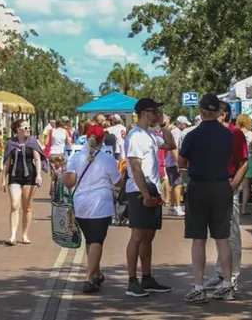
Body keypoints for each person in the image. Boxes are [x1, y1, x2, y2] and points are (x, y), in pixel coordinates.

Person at [179, 94, 236, 303]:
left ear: (202, 111)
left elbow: (181, 160)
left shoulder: (193, 135)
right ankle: (228, 284)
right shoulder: (227, 134)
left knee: (198, 238)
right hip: (222, 185)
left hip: (199, 186)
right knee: (222, 238)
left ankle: (198, 286)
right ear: (218, 112)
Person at [124, 98, 176, 298]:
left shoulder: (151, 135)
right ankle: (132, 281)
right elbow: (135, 168)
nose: (158, 115)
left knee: (149, 236)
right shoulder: (135, 136)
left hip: (152, 189)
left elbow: (171, 144)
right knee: (137, 236)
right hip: (139, 190)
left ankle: (146, 277)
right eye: (156, 112)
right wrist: (145, 194)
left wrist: (163, 125)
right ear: (146, 113)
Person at [64, 125, 121, 293]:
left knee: (90, 240)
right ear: (103, 140)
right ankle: (89, 278)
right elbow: (117, 182)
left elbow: (70, 181)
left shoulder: (76, 158)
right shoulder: (107, 159)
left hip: (81, 203)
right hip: (100, 204)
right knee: (97, 240)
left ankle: (96, 273)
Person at [202, 100, 248, 296]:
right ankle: (222, 273)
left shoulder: (235, 134)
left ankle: (233, 276)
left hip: (228, 184)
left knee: (231, 233)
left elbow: (244, 163)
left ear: (224, 115)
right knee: (219, 233)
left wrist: (233, 186)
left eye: (214, 113)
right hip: (212, 185)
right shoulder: (209, 134)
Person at [1, 119, 44, 246]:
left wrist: (39, 175)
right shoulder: (11, 143)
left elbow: (37, 159)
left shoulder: (32, 142)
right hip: (14, 176)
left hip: (29, 177)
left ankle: (25, 235)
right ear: (18, 130)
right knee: (14, 205)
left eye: (29, 127)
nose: (28, 130)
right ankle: (12, 236)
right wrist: (3, 179)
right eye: (26, 128)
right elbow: (7, 162)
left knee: (27, 207)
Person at [236, 114, 252, 216]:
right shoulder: (251, 134)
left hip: (237, 160)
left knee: (236, 183)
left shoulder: (235, 133)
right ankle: (244, 208)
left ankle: (234, 206)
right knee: (246, 186)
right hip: (248, 160)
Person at [167, 116, 189, 216]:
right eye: (184, 124)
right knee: (177, 184)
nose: (186, 126)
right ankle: (177, 207)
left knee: (175, 184)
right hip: (173, 163)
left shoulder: (176, 132)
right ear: (180, 123)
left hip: (171, 163)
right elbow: (174, 148)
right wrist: (178, 163)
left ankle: (172, 206)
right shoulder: (176, 132)